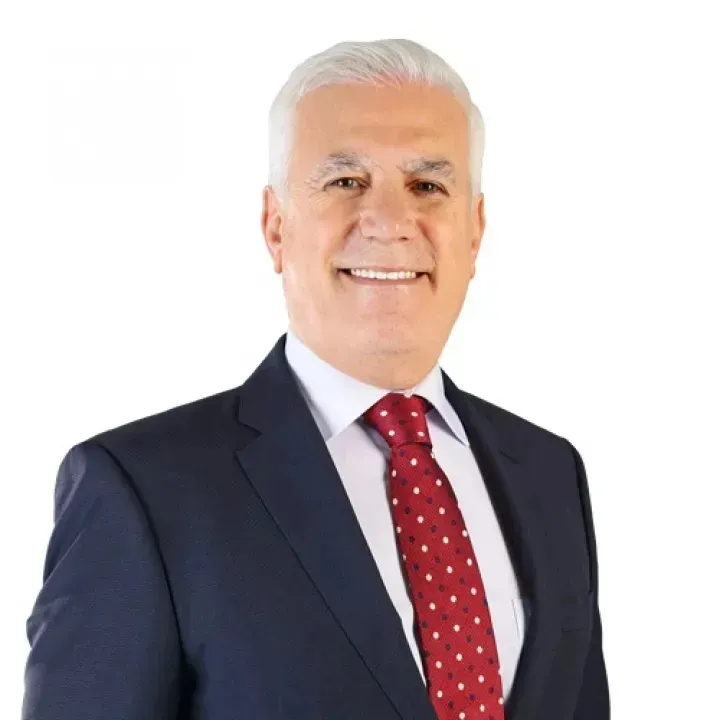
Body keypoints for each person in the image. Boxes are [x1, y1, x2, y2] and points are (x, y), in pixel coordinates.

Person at [22, 38, 610, 720]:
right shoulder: (143, 490)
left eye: (427, 186)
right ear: (276, 227)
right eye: (346, 181)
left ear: (474, 232)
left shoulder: (549, 472)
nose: (390, 222)